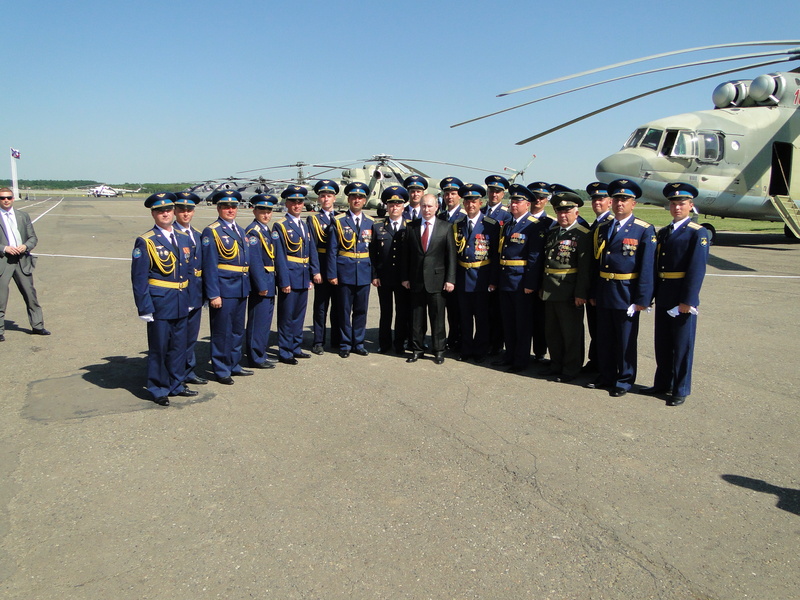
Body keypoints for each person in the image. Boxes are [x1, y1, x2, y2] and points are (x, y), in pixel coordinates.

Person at [586, 179, 656, 398]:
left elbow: (647, 267)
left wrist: (643, 299)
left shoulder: (643, 230)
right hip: (605, 291)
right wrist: (594, 292)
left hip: (627, 294)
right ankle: (606, 376)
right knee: (604, 337)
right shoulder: (604, 228)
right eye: (616, 199)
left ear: (633, 203)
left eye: (624, 199)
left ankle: (624, 380)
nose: (619, 203)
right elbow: (597, 264)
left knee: (625, 340)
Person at [642, 182, 710, 406]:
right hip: (663, 294)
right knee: (662, 343)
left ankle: (680, 389)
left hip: (681, 297)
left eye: (681, 204)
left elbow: (696, 269)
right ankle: (662, 383)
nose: (677, 207)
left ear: (691, 206)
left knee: (681, 345)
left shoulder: (697, 233)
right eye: (673, 204)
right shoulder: (664, 232)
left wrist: (687, 300)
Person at [131, 193, 194, 406]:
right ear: (153, 214)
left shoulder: (183, 237)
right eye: (160, 211)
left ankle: (176, 383)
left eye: (168, 210)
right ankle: (158, 387)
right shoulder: (146, 241)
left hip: (181, 300)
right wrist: (144, 307)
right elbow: (139, 279)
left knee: (179, 346)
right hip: (160, 302)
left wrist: (191, 298)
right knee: (159, 347)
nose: (165, 213)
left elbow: (188, 272)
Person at [492, 184, 547, 372]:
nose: (513, 204)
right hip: (506, 279)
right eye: (512, 200)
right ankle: (509, 355)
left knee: (522, 325)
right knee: (508, 322)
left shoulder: (534, 225)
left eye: (518, 201)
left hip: (522, 282)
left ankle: (521, 360)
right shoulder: (509, 224)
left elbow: (534, 257)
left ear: (527, 203)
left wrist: (531, 283)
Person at [201, 189, 253, 385]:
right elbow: (209, 265)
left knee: (237, 330)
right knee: (222, 331)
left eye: (233, 206)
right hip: (224, 288)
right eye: (226, 207)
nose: (230, 210)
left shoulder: (240, 230)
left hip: (241, 287)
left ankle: (234, 363)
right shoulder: (212, 231)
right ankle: (221, 369)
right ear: (219, 208)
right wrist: (213, 294)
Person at [540, 191, 592, 383]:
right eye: (560, 211)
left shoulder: (582, 235)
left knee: (570, 334)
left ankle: (571, 369)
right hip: (549, 290)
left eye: (567, 211)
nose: (563, 215)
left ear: (576, 213)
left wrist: (580, 294)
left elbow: (585, 269)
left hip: (569, 292)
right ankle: (556, 364)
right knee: (552, 333)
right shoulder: (553, 232)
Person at [402, 193, 457, 364]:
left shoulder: (445, 227)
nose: (426, 209)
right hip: (416, 280)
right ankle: (417, 349)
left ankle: (438, 350)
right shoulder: (411, 227)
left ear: (436, 207)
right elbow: (406, 256)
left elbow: (451, 257)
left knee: (437, 318)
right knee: (417, 319)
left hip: (437, 280)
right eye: (424, 206)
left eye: (430, 206)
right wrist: (405, 277)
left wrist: (450, 279)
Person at [273, 185, 321, 365]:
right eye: (293, 201)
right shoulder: (281, 226)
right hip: (290, 277)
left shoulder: (305, 224)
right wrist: (284, 281)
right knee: (287, 316)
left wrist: (313, 272)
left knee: (299, 315)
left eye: (300, 202)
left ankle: (295, 347)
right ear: (287, 203)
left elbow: (312, 250)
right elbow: (279, 257)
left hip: (303, 276)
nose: (297, 205)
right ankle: (285, 351)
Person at [453, 183, 499, 363]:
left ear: (480, 203)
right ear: (463, 204)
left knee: (481, 317)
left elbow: (496, 254)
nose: (470, 205)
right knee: (464, 317)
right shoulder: (458, 225)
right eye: (467, 202)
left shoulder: (491, 225)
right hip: (463, 277)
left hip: (482, 276)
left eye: (474, 202)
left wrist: (493, 280)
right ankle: (466, 349)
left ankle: (480, 350)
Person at [327, 181, 373, 358]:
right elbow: (332, 250)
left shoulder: (370, 222)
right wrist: (332, 274)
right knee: (344, 311)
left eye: (360, 197)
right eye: (354, 196)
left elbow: (373, 252)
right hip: (344, 272)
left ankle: (358, 342)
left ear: (364, 200)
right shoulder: (338, 221)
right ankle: (345, 343)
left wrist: (373, 274)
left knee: (361, 310)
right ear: (349, 199)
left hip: (363, 273)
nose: (357, 200)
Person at [0, 187, 49, 341]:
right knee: (1, 297)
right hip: (3, 261)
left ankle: (37, 326)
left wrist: (25, 246)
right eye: (2, 198)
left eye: (8, 197)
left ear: (13, 198)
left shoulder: (22, 216)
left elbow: (33, 238)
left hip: (22, 261)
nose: (6, 200)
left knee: (30, 295)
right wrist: (4, 248)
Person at [370, 185, 411, 354]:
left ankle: (400, 343)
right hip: (384, 277)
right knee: (385, 313)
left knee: (402, 313)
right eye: (391, 204)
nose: (395, 208)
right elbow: (372, 254)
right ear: (387, 207)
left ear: (403, 207)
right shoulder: (378, 227)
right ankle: (384, 343)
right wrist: (375, 275)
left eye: (398, 204)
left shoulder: (410, 227)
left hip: (403, 278)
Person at [172, 191, 207, 386]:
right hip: (179, 294)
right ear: (175, 211)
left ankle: (188, 371)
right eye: (182, 210)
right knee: (178, 338)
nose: (186, 214)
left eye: (189, 210)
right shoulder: (173, 235)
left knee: (191, 336)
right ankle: (176, 375)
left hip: (196, 293)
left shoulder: (197, 235)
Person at [244, 194, 278, 370]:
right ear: (254, 210)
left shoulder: (265, 230)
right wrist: (261, 285)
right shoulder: (253, 232)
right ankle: (255, 357)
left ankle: (261, 353)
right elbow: (255, 261)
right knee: (258, 321)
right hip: (262, 283)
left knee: (265, 322)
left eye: (269, 211)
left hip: (269, 280)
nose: (266, 215)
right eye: (262, 211)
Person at [582, 182, 613, 373]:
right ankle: (595, 362)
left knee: (604, 330)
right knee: (595, 327)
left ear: (610, 201)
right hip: (593, 286)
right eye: (594, 199)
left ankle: (603, 366)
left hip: (604, 286)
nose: (597, 202)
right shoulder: (597, 223)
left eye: (601, 198)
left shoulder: (609, 224)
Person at [307, 180, 341, 355]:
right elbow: (311, 245)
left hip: (338, 268)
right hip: (321, 264)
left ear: (335, 198)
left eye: (329, 196)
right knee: (321, 307)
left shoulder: (341, 218)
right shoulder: (313, 219)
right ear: (319, 199)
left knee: (338, 306)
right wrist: (315, 270)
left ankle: (336, 339)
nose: (326, 199)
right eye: (322, 196)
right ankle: (318, 341)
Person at [483, 175, 511, 355]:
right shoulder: (480, 210)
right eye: (491, 190)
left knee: (496, 311)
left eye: (498, 191)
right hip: (479, 269)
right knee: (482, 311)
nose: (494, 194)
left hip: (496, 269)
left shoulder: (507, 216)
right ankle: (484, 341)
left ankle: (496, 345)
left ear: (503, 194)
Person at [526, 181, 553, 363]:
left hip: (542, 277)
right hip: (522, 277)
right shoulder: (519, 219)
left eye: (542, 198)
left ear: (546, 200)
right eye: (535, 197)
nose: (538, 201)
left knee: (540, 318)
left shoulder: (550, 223)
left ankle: (540, 352)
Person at [438, 176, 465, 352]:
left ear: (459, 197)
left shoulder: (463, 218)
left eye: (453, 193)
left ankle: (458, 340)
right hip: (440, 271)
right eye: (447, 193)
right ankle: (446, 339)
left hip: (459, 272)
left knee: (458, 311)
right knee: (443, 310)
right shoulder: (440, 216)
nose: (449, 197)